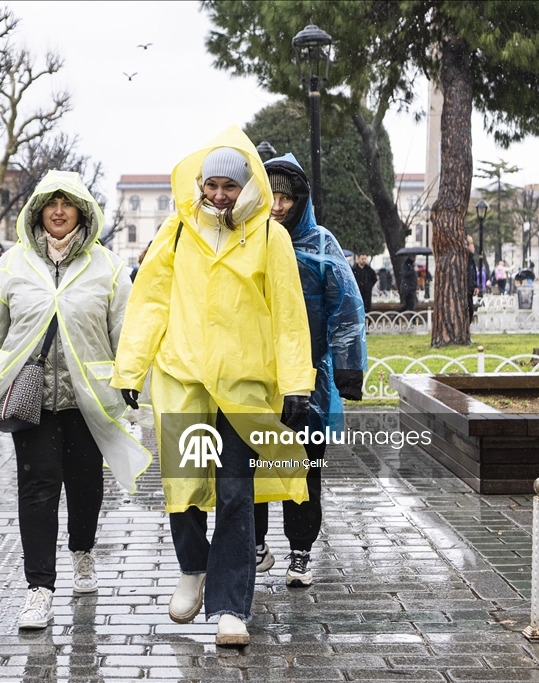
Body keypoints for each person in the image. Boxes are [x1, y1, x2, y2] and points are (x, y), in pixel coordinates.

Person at [113, 127, 315, 646]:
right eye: (213, 185)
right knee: (182, 487)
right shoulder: (177, 231)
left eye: (230, 186)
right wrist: (131, 369)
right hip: (183, 380)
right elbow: (150, 302)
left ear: (247, 187)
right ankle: (192, 568)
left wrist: (297, 383)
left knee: (234, 493)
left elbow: (289, 314)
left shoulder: (270, 237)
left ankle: (230, 607)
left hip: (244, 387)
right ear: (201, 184)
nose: (220, 195)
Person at [0, 171, 151, 631]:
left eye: (67, 203)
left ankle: (82, 551)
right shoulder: (11, 266)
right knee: (37, 488)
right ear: (37, 211)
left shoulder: (107, 267)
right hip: (30, 397)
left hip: (88, 397)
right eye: (50, 203)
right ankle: (39, 588)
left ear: (81, 211)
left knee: (85, 485)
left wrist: (132, 380)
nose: (58, 211)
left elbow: (126, 329)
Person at [257, 154, 366, 587]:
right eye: (270, 196)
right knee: (251, 463)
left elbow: (346, 308)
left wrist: (348, 370)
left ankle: (300, 550)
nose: (277, 206)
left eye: (286, 197)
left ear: (300, 201)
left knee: (302, 466)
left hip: (309, 379)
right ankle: (255, 544)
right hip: (254, 376)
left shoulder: (321, 245)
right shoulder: (248, 239)